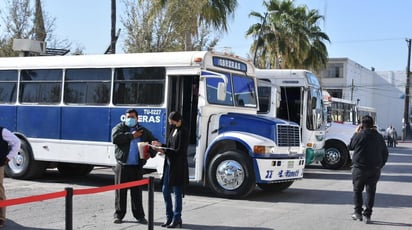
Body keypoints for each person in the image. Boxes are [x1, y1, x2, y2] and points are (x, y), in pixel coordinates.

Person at [111, 109, 159, 225]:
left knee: (136, 193)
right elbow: (116, 139)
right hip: (122, 166)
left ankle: (139, 216)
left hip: (136, 167)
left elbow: (153, 143)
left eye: (132, 117)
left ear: (137, 118)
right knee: (120, 192)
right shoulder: (120, 128)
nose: (129, 119)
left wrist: (152, 151)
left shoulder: (143, 131)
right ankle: (119, 215)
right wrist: (131, 136)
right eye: (128, 117)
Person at [348, 115, 388, 224]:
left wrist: (356, 133)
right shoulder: (379, 137)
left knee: (357, 190)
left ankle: (358, 213)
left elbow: (350, 146)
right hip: (374, 169)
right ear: (372, 124)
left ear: (362, 124)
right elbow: (385, 153)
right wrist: (380, 165)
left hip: (359, 169)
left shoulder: (359, 135)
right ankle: (367, 215)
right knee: (371, 192)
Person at [154, 111, 189, 228]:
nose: (170, 123)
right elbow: (170, 145)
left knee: (177, 193)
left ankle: (177, 218)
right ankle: (169, 217)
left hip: (178, 166)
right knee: (165, 190)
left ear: (178, 121)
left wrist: (164, 151)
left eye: (172, 121)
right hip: (169, 164)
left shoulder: (183, 132)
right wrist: (160, 145)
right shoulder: (172, 130)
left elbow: (179, 150)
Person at [0, 127, 21, 228]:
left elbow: (16, 142)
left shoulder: (2, 131)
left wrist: (9, 157)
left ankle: (1, 218)